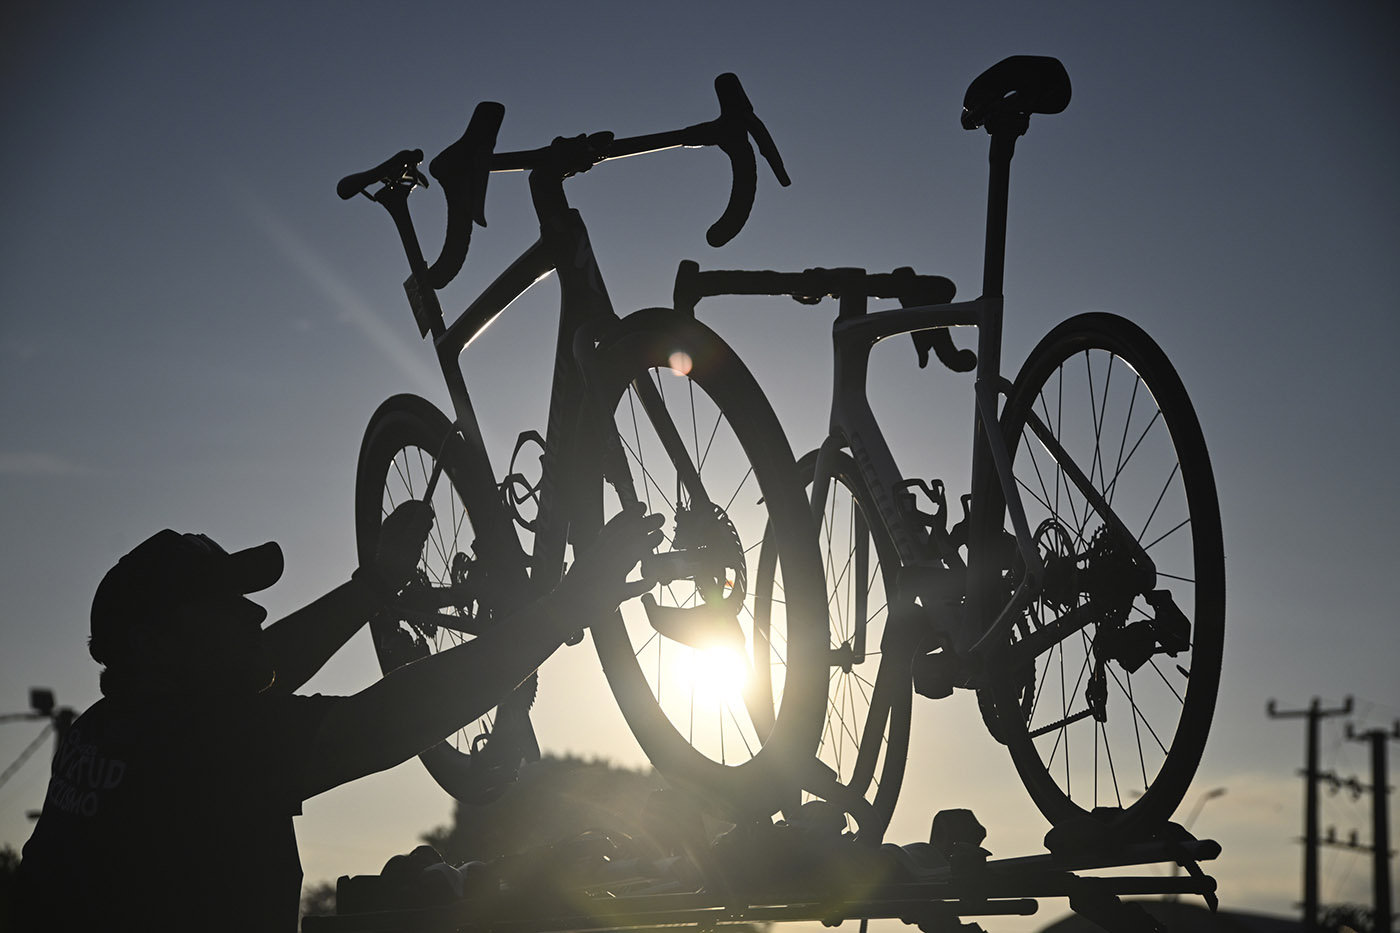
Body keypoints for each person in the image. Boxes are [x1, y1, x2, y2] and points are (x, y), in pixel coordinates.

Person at [15, 502, 663, 932]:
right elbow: (387, 721)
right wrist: (567, 604)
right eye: (224, 607)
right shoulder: (198, 746)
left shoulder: (110, 726)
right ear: (160, 642)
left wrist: (371, 586)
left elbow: (261, 663)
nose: (255, 613)